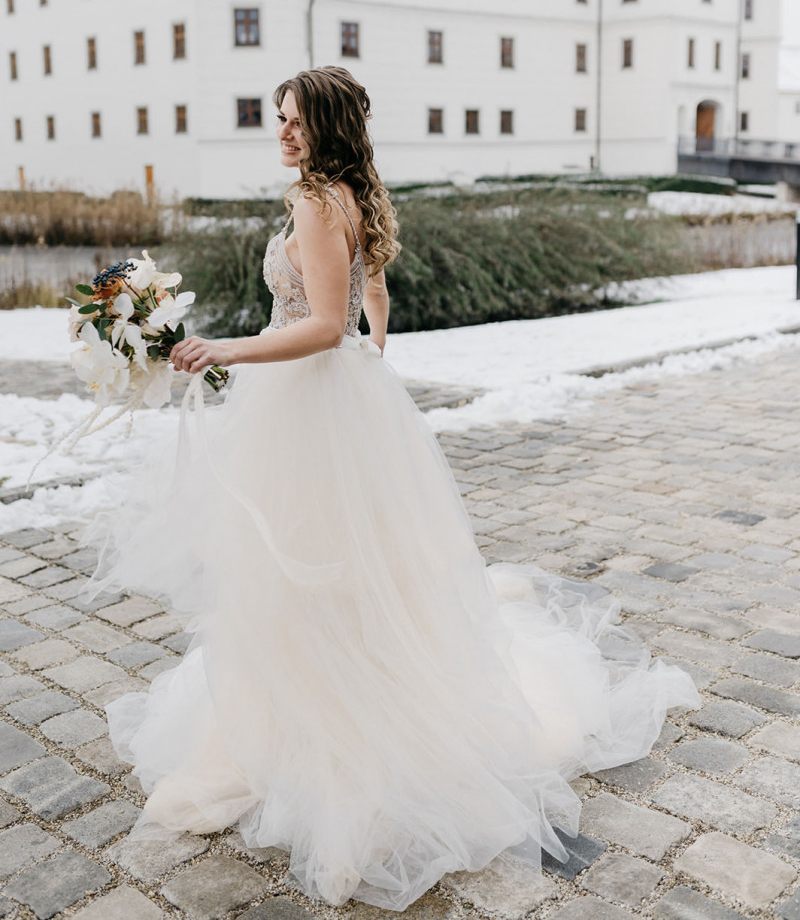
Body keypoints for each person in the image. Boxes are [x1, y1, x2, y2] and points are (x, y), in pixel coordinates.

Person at [84, 65, 700, 912]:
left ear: (327, 126)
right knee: (330, 571)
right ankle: (316, 700)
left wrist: (228, 349)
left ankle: (331, 728)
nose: (283, 132)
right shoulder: (349, 195)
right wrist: (375, 350)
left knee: (306, 569)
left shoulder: (315, 200)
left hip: (313, 407)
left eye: (295, 120)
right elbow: (367, 297)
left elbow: (320, 325)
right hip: (332, 406)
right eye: (279, 118)